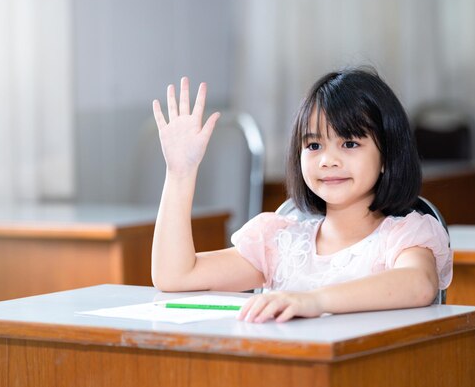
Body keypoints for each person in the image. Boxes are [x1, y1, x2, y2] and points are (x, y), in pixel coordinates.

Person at [151, 67, 452, 324]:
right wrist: (180, 174)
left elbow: (419, 284)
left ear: (387, 155)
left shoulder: (405, 236)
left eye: (349, 144)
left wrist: (313, 301)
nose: (327, 160)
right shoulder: (281, 242)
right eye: (313, 146)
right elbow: (176, 276)